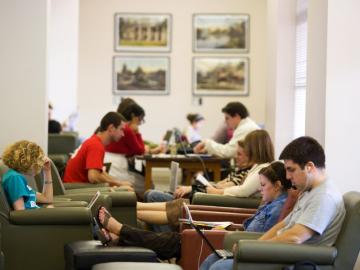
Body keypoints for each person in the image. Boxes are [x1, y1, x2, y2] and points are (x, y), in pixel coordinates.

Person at [200, 136, 346, 270]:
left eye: (291, 170)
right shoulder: (309, 191)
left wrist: (254, 250)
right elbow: (283, 225)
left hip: (290, 259)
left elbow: (295, 237)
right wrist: (255, 246)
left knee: (219, 267)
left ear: (309, 167)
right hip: (280, 252)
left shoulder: (324, 197)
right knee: (212, 259)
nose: (288, 176)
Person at [94, 161, 291, 260]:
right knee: (170, 237)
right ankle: (120, 236)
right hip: (227, 234)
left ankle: (121, 231)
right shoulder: (271, 203)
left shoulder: (277, 208)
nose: (260, 189)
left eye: (263, 185)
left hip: (231, 242)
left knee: (171, 241)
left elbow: (258, 238)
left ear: (277, 185)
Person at [145, 129, 274, 204]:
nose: (247, 151)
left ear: (256, 149)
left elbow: (242, 191)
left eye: (248, 148)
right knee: (151, 196)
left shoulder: (262, 171)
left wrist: (213, 191)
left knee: (152, 196)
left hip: (215, 201)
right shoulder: (256, 168)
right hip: (214, 199)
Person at [63, 112, 133, 190]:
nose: (123, 134)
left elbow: (100, 172)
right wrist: (118, 184)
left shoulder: (94, 141)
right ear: (111, 128)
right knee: (128, 189)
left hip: (76, 187)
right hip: (76, 190)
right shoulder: (96, 145)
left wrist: (118, 182)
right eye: (121, 129)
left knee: (124, 187)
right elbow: (93, 177)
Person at [193, 102, 259, 158]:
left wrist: (207, 143)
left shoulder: (245, 128)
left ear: (237, 116)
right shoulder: (247, 125)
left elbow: (228, 152)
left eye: (227, 118)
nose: (225, 122)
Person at [1, 140, 53, 210]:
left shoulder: (16, 176)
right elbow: (20, 212)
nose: (40, 165)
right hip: (32, 219)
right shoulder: (14, 178)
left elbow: (47, 199)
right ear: (27, 160)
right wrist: (47, 213)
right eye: (38, 160)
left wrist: (47, 171)